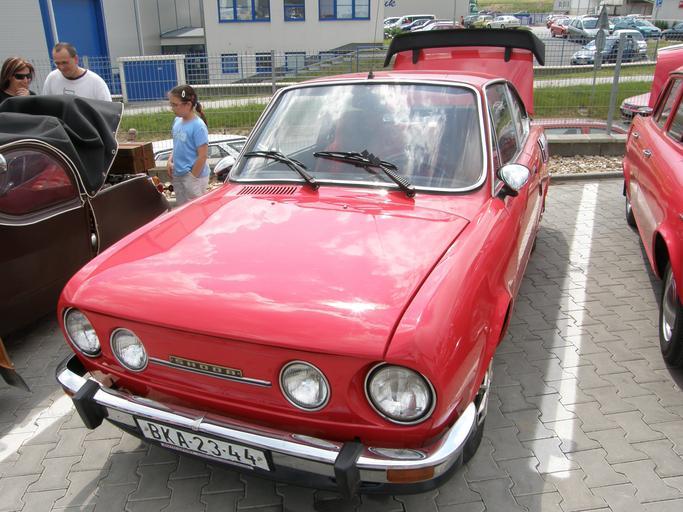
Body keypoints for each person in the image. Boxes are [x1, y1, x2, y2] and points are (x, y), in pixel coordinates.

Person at [166, 85, 210, 206]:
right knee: (183, 209)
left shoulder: (198, 126)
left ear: (188, 104)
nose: (172, 108)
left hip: (193, 177)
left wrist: (192, 177)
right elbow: (177, 145)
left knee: (195, 209)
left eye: (175, 105)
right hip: (178, 174)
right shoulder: (177, 121)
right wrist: (170, 160)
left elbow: (202, 156)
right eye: (171, 104)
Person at [42, 42, 111, 101]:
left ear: (76, 59)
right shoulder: (52, 78)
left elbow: (108, 109)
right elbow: (45, 106)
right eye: (57, 63)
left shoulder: (95, 83)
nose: (61, 67)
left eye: (64, 63)